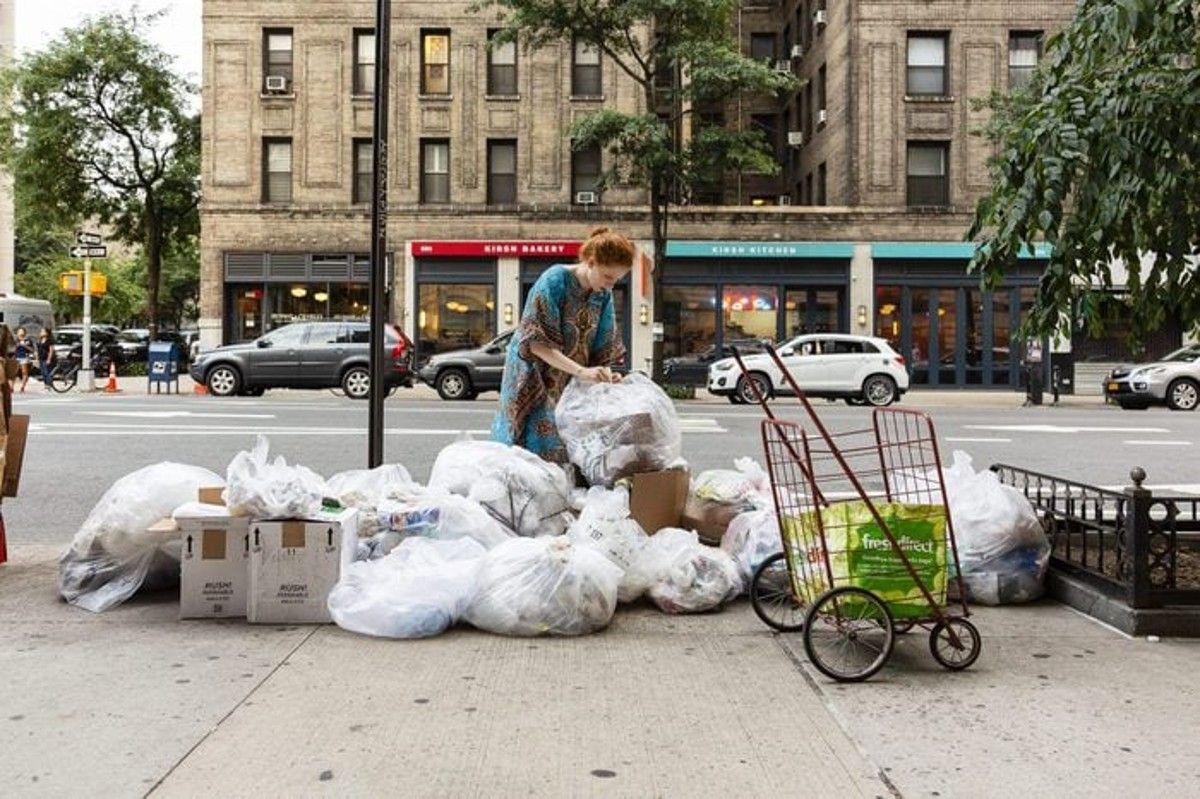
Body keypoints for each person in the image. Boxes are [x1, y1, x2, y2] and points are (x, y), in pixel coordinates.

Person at [492, 226, 633, 463]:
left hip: (570, 381)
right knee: (534, 445)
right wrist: (581, 371)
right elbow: (536, 343)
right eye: (607, 277)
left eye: (617, 280)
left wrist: (606, 375)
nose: (610, 286)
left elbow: (602, 350)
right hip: (534, 377)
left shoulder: (603, 296)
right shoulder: (555, 279)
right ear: (590, 262)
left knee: (567, 446)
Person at [12, 327, 33, 393]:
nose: (21, 333)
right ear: (17, 333)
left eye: (22, 331)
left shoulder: (28, 340)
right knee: (14, 373)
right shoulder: (15, 340)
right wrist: (16, 346)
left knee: (24, 372)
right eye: (19, 332)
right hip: (16, 358)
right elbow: (11, 349)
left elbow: (32, 350)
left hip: (24, 357)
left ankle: (22, 387)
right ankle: (11, 387)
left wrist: (24, 345)